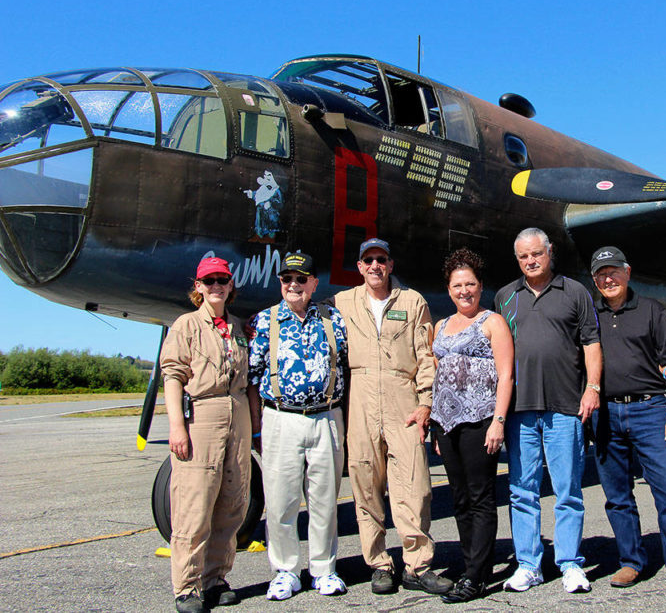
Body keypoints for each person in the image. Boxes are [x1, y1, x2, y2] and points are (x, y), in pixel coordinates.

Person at [333, 238, 452, 596]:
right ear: (359, 266)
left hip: (403, 398)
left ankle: (418, 565)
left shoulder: (413, 302)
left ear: (390, 264)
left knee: (414, 486)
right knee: (366, 485)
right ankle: (379, 564)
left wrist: (426, 402)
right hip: (361, 398)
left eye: (380, 259)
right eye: (367, 260)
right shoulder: (341, 303)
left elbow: (427, 355)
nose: (374, 266)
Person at [493, 227, 602, 594]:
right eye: (523, 256)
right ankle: (528, 564)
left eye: (536, 254)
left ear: (549, 251)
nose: (531, 261)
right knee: (521, 489)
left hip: (564, 407)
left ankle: (570, 563)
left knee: (568, 489)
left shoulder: (575, 292)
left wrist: (592, 388)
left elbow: (591, 344)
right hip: (520, 410)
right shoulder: (505, 296)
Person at [588, 246, 666, 595]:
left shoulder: (652, 310)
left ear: (628, 272)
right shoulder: (589, 316)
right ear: (594, 280)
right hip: (605, 413)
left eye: (614, 271)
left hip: (650, 410)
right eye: (601, 274)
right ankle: (630, 561)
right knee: (617, 495)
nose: (609, 278)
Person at [247, 252, 349, 600]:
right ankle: (285, 571)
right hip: (281, 417)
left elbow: (351, 365)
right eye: (288, 279)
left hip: (326, 417)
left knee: (324, 500)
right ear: (280, 283)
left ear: (314, 284)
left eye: (302, 279)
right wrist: (256, 428)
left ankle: (324, 570)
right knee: (281, 501)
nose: (294, 285)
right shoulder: (264, 322)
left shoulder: (333, 319)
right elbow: (250, 375)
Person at [161, 257, 260, 613]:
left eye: (223, 280)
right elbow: (172, 376)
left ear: (231, 286)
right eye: (210, 281)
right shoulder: (186, 326)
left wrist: (255, 427)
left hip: (237, 415)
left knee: (233, 502)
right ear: (198, 287)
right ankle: (186, 587)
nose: (217, 286)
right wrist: (176, 426)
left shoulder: (237, 329)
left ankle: (215, 577)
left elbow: (249, 384)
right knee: (194, 504)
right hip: (202, 414)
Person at [429, 248, 514, 603]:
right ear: (449, 289)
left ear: (481, 287)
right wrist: (436, 423)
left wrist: (498, 421)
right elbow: (437, 374)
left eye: (470, 284)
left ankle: (478, 577)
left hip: (481, 420)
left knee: (480, 498)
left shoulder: (492, 322)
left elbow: (507, 374)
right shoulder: (441, 325)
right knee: (460, 498)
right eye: (457, 285)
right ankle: (470, 566)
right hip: (446, 424)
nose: (464, 291)